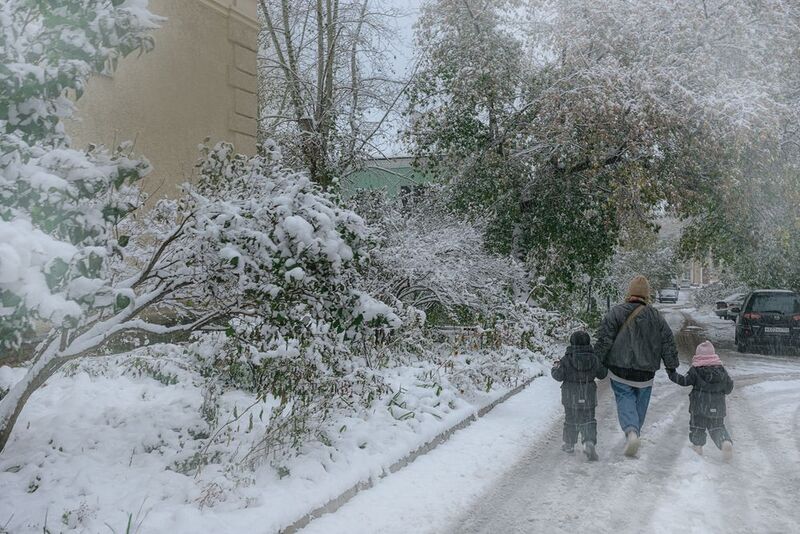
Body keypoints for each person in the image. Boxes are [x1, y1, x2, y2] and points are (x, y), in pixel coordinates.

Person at [594, 275, 679, 457]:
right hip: (646, 372)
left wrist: (596, 362)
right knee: (641, 403)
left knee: (625, 398)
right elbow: (668, 343)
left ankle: (631, 431)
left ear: (630, 293)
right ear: (646, 295)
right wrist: (671, 367)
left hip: (619, 368)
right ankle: (634, 433)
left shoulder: (616, 313)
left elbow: (604, 340)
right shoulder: (656, 317)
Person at [668, 340, 734, 461]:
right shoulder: (721, 371)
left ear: (698, 356)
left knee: (697, 427)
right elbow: (729, 388)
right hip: (717, 407)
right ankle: (724, 442)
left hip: (699, 406)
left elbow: (684, 381)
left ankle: (697, 447)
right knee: (717, 428)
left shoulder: (695, 370)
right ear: (713, 355)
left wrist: (672, 373)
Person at [551, 330, 608, 461]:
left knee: (570, 419)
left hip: (570, 395)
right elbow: (602, 374)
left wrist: (555, 367)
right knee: (588, 419)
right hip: (588, 393)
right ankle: (588, 442)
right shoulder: (594, 358)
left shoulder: (566, 359)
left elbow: (558, 376)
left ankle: (569, 444)